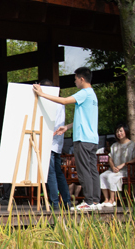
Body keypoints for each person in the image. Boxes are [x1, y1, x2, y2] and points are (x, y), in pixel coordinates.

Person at [34, 67, 100, 211]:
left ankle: (88, 201)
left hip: (83, 138)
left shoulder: (84, 93)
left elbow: (64, 101)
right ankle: (95, 201)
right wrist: (67, 127)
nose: (75, 82)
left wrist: (42, 94)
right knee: (92, 170)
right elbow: (85, 119)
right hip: (92, 138)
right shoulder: (93, 95)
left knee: (84, 171)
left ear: (81, 79)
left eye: (75, 79)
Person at [38, 80, 70, 212]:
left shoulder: (52, 101)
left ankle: (55, 203)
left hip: (50, 141)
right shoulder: (60, 101)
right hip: (57, 142)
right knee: (57, 172)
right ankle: (66, 201)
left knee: (51, 173)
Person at [99, 124, 135, 207]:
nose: (119, 133)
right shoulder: (114, 145)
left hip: (126, 170)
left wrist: (123, 165)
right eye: (117, 131)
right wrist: (113, 167)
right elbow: (110, 158)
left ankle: (112, 200)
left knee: (111, 177)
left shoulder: (132, 145)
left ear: (126, 132)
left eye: (121, 131)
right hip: (114, 169)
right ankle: (106, 199)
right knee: (102, 176)